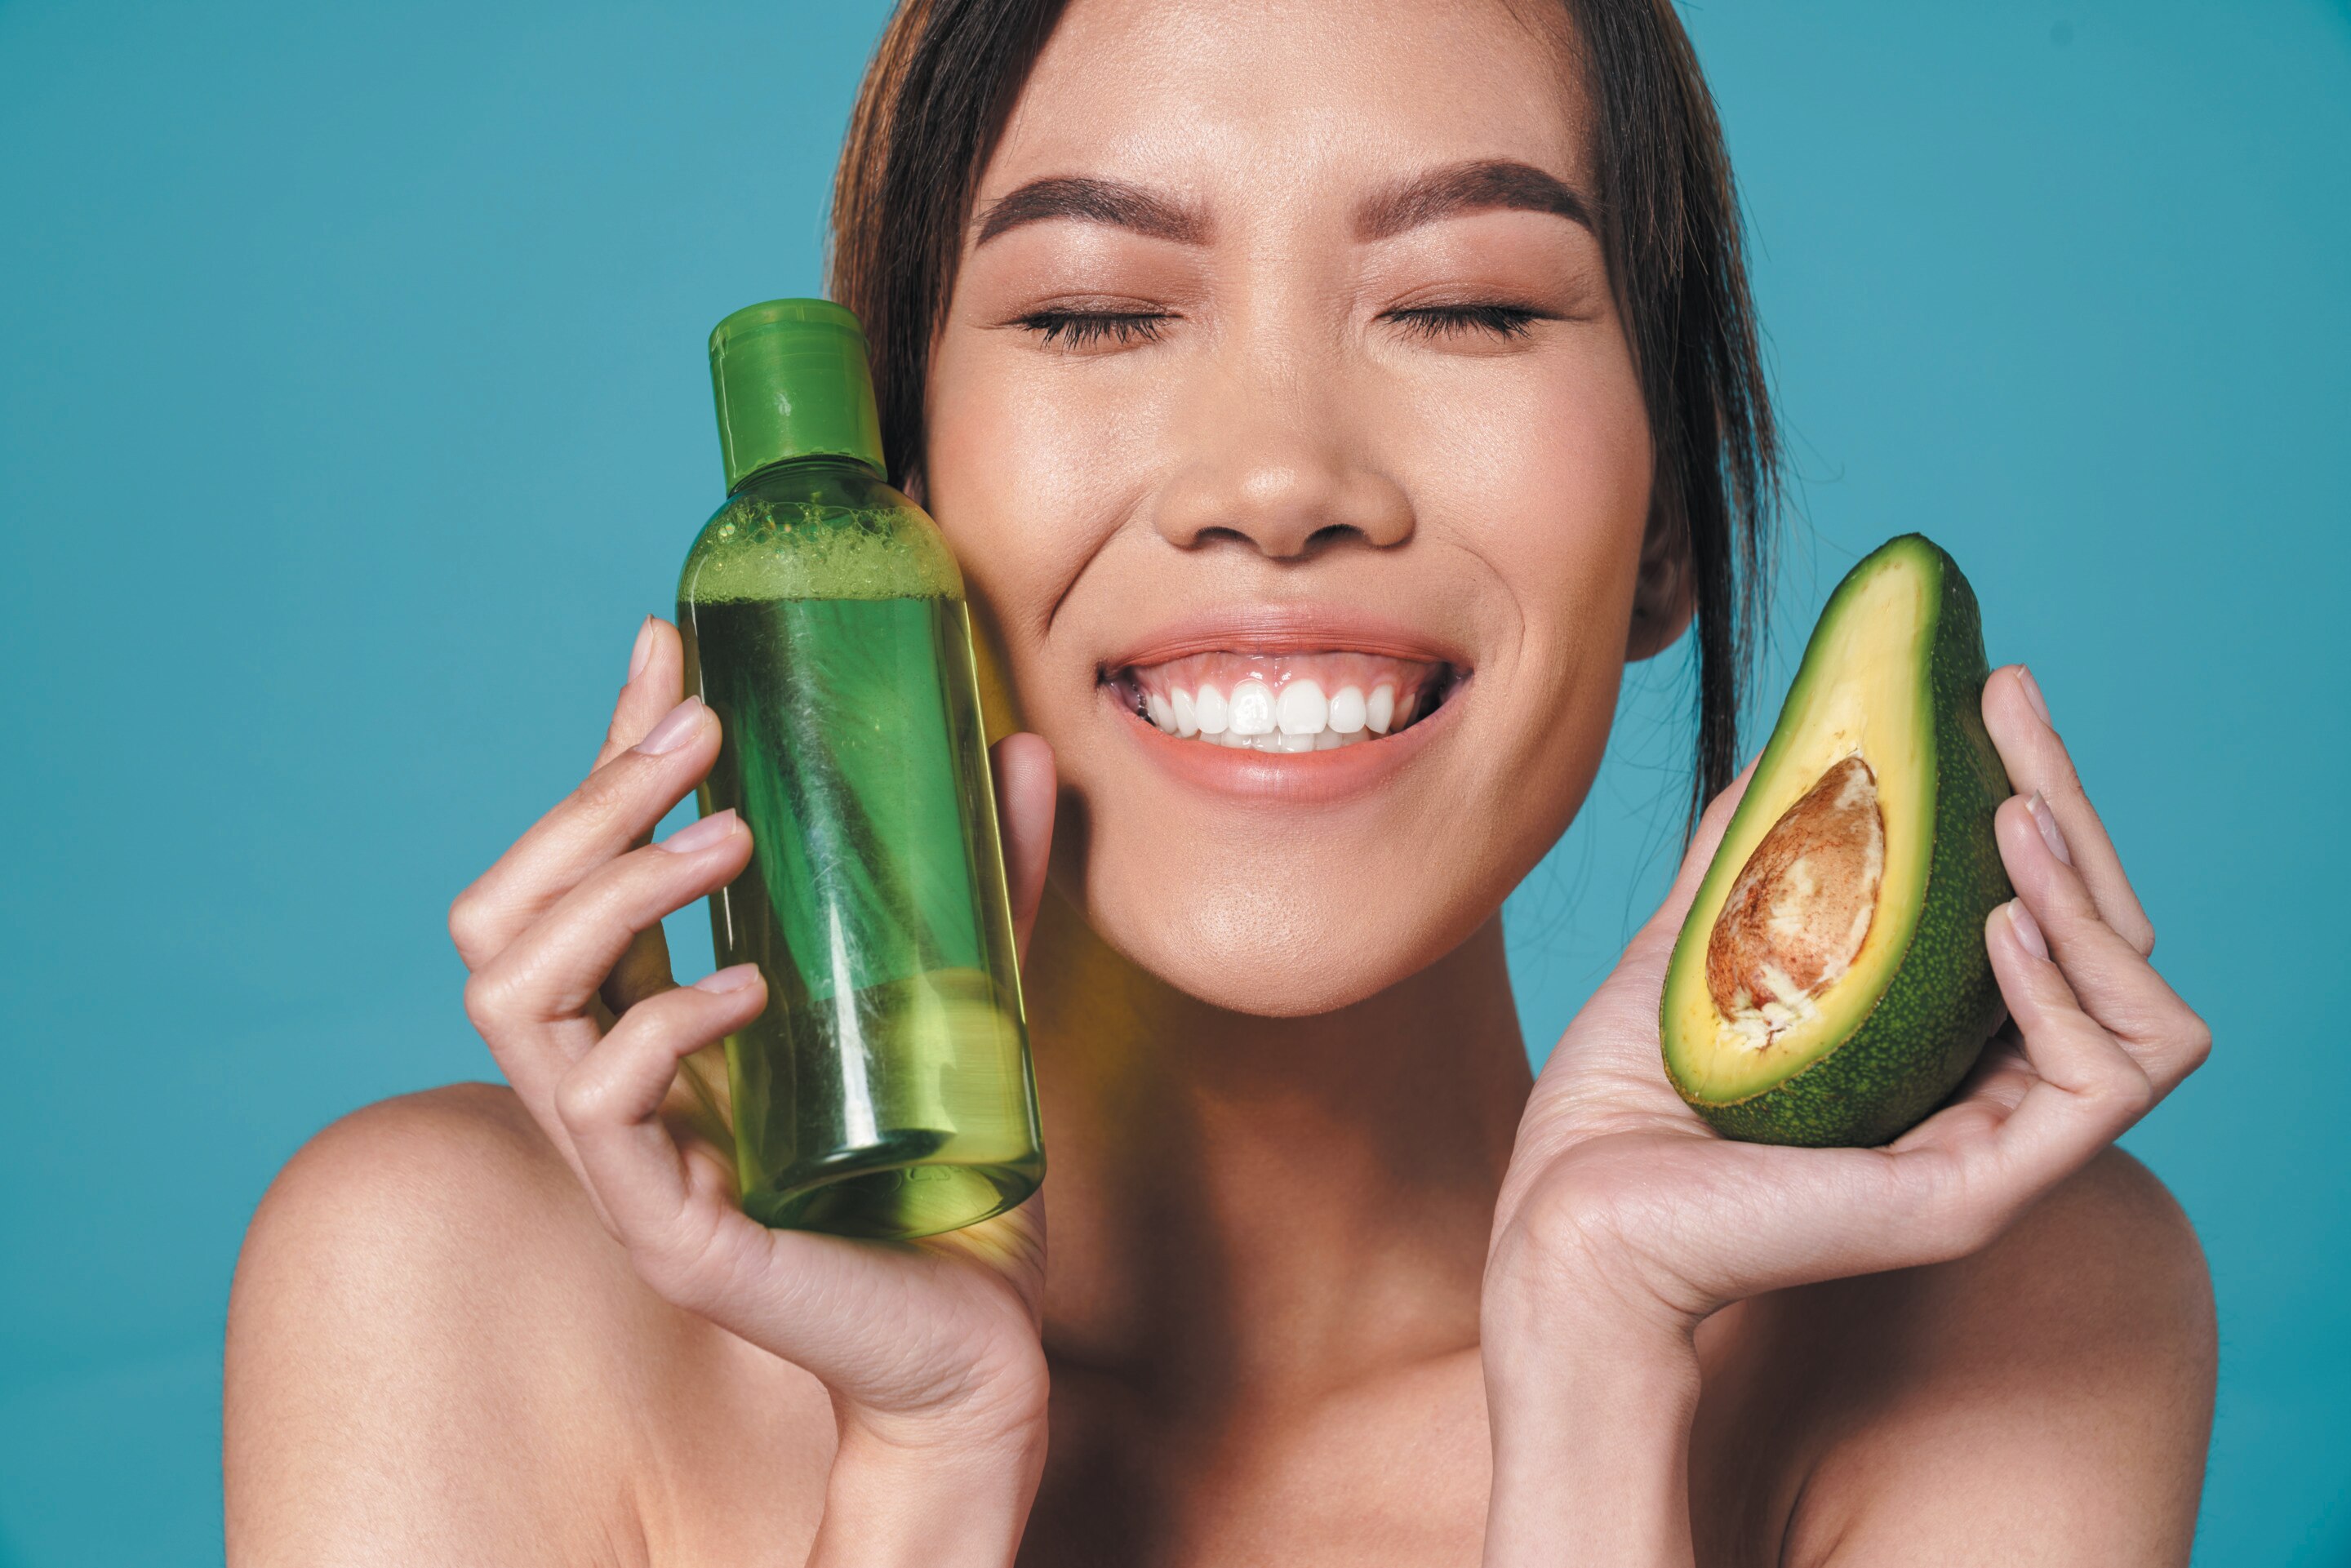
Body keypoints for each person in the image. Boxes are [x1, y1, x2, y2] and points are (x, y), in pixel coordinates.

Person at [223, 0, 2216, 1561]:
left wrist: (1598, 1370)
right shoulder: (455, 1292)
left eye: (1466, 306)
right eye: (1094, 311)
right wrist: (922, 1458)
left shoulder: (1998, 1313)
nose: (1277, 480)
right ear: (899, 503)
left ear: (1674, 522)